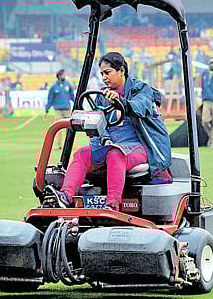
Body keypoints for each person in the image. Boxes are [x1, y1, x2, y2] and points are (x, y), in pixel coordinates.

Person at [45, 52, 172, 211]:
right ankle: (65, 196)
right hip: (113, 145)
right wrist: (103, 137)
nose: (104, 78)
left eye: (107, 73)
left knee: (115, 153)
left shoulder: (141, 90)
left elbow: (141, 107)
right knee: (82, 154)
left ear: (121, 71)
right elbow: (100, 125)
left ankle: (112, 204)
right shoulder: (101, 96)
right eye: (102, 74)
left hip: (141, 146)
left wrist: (121, 102)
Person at [45, 69, 75, 150]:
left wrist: (77, 103)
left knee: (69, 128)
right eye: (63, 74)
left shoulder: (68, 84)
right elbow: (50, 98)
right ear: (59, 75)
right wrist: (47, 108)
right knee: (58, 127)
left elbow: (72, 96)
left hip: (67, 109)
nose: (65, 76)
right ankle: (58, 145)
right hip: (58, 110)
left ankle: (68, 145)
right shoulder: (54, 86)